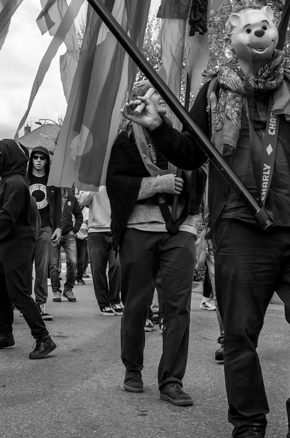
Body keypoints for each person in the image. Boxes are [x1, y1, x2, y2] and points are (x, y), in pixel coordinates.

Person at [132, 6, 290, 438]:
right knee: (240, 335)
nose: (257, 30)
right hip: (239, 226)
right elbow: (192, 152)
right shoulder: (214, 91)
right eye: (246, 25)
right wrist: (158, 126)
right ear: (230, 38)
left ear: (275, 32)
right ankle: (248, 429)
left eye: (265, 23)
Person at [109, 79, 203, 406]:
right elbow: (116, 184)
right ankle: (132, 368)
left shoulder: (183, 138)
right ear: (139, 100)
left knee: (177, 306)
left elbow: (198, 171)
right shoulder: (124, 141)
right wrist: (156, 183)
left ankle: (172, 380)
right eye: (152, 93)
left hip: (181, 229)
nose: (160, 98)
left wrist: (196, 212)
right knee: (136, 304)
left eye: (164, 93)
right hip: (139, 227)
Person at [0, 138, 56, 360]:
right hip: (2, 245)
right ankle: (5, 334)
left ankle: (44, 338)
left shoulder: (16, 183)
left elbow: (6, 215)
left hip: (16, 245)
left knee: (18, 292)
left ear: (9, 158)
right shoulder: (5, 181)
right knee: (0, 290)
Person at [26, 148, 55, 321]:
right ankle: (27, 303)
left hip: (45, 227)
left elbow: (56, 205)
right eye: (35, 157)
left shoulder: (52, 181)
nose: (38, 161)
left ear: (46, 161)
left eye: (42, 158)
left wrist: (58, 227)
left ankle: (40, 303)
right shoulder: (24, 179)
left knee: (42, 268)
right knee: (25, 268)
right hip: (26, 228)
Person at [84, 187, 121, 316]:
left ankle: (115, 300)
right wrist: (94, 185)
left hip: (115, 227)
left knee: (117, 265)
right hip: (96, 230)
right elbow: (82, 200)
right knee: (98, 268)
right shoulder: (91, 177)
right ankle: (104, 303)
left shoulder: (116, 173)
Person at [48, 185, 82, 303]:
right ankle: (56, 290)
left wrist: (75, 230)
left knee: (72, 261)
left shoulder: (72, 199)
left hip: (68, 234)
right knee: (54, 265)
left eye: (67, 188)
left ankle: (68, 289)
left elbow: (79, 216)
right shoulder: (52, 197)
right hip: (54, 233)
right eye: (63, 188)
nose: (65, 190)